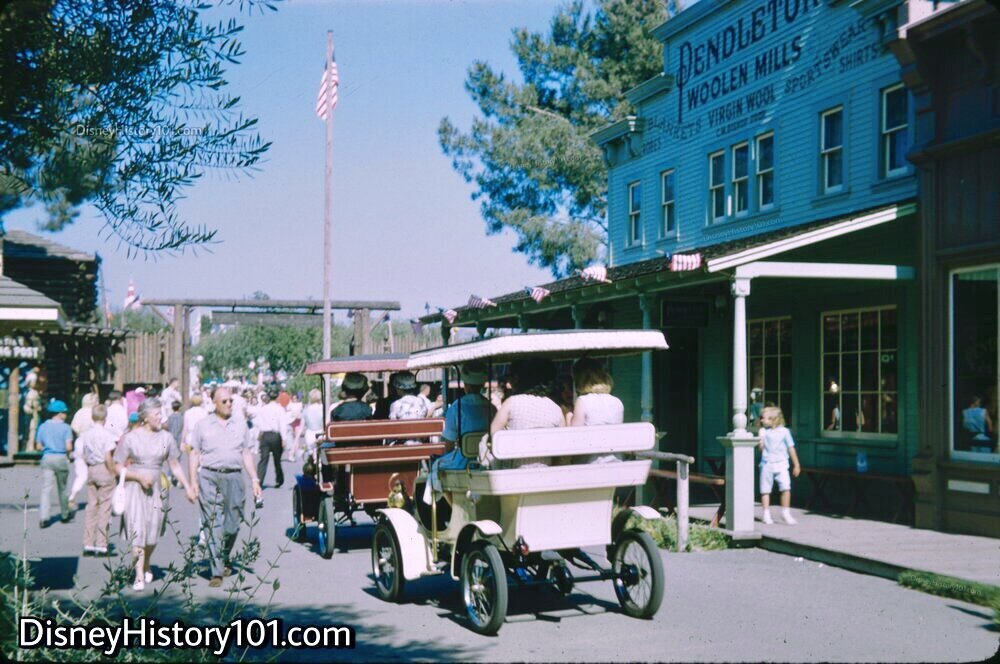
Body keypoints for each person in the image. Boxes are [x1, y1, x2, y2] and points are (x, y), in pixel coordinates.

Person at [112, 398, 195, 590]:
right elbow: (116, 466)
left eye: (161, 413)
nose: (161, 417)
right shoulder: (131, 438)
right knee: (137, 531)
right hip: (134, 489)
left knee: (153, 532)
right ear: (145, 417)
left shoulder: (166, 438)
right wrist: (137, 476)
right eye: (157, 414)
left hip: (158, 489)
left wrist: (188, 486)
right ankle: (139, 575)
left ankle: (146, 561)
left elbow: (174, 464)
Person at [188, 387, 262, 588]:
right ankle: (217, 570)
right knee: (213, 522)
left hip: (235, 477)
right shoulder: (202, 425)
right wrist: (193, 482)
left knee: (233, 523)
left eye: (231, 401)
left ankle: (224, 555)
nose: (229, 404)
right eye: (224, 401)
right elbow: (194, 453)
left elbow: (246, 453)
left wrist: (254, 480)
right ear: (214, 403)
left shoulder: (240, 424)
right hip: (209, 476)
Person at [424, 363, 495, 504]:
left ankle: (454, 507)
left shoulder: (457, 406)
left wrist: (447, 455)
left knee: (436, 466)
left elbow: (449, 441)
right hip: (486, 458)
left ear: (466, 386)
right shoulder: (490, 406)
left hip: (464, 459)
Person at [489, 359, 564, 468]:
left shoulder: (512, 402)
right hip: (546, 474)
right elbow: (561, 448)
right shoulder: (555, 408)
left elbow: (492, 435)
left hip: (513, 474)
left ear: (519, 379)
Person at [78, 405, 118, 556]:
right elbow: (108, 457)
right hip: (104, 468)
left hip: (91, 468)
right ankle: (101, 544)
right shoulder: (107, 435)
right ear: (105, 418)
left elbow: (82, 453)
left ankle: (88, 543)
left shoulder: (86, 435)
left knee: (91, 507)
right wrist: (113, 471)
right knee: (104, 507)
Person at [570, 358, 625, 463]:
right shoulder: (617, 402)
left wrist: (569, 418)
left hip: (590, 465)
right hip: (616, 463)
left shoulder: (582, 401)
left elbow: (574, 439)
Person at [758, 406, 801, 525]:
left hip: (782, 463)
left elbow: (790, 448)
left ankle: (785, 512)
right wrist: (760, 443)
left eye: (764, 418)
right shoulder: (763, 432)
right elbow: (760, 450)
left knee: (786, 487)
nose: (761, 420)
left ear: (774, 419)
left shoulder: (784, 432)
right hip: (767, 463)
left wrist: (796, 464)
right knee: (765, 490)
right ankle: (766, 513)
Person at [37, 400, 74, 527]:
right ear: (59, 413)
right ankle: (64, 514)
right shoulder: (66, 427)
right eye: (64, 412)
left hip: (47, 458)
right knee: (62, 488)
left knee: (46, 489)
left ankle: (44, 517)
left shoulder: (42, 427)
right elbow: (68, 447)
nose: (66, 414)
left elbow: (38, 446)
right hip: (60, 458)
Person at [254, 390, 290, 493]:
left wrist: (260, 434)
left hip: (265, 434)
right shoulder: (279, 409)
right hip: (275, 435)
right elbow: (282, 424)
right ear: (277, 397)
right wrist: (284, 438)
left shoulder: (263, 409)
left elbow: (259, 422)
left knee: (263, 459)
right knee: (277, 459)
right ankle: (279, 479)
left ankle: (259, 480)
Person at [68, 393, 99, 503]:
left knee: (81, 473)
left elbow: (74, 426)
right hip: (92, 443)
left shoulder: (79, 412)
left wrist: (80, 433)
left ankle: (73, 493)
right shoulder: (94, 413)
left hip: (80, 441)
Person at [302, 388, 325, 458]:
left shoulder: (306, 409)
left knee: (310, 455)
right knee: (323, 454)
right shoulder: (323, 408)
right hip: (321, 434)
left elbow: (303, 424)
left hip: (309, 435)